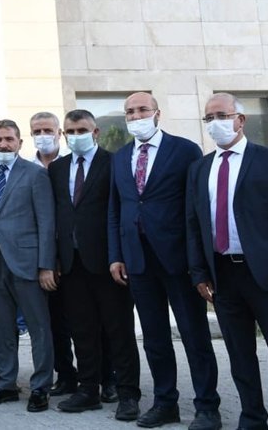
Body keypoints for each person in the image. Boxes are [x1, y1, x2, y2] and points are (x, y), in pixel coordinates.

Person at [187, 93, 268, 430]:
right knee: (240, 356)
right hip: (223, 276)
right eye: (209, 118)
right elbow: (194, 224)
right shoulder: (200, 169)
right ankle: (253, 419)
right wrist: (199, 272)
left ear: (240, 120)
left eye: (222, 115)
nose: (215, 123)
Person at [110, 92, 220, 430]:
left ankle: (207, 407)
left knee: (194, 336)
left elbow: (197, 207)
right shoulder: (121, 156)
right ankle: (165, 403)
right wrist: (116, 255)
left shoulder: (184, 150)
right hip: (138, 260)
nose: (136, 116)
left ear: (157, 113)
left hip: (178, 259)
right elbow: (116, 208)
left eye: (142, 109)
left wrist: (198, 261)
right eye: (130, 111)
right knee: (155, 338)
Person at [50, 110, 141, 421]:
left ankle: (127, 394)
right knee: (82, 330)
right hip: (72, 264)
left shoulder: (114, 163)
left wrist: (120, 255)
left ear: (96, 132)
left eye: (82, 130)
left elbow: (121, 210)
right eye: (70, 131)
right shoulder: (57, 168)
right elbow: (58, 215)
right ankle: (88, 389)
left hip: (108, 263)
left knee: (119, 331)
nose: (76, 136)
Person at [0, 119, 56, 413]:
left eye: (9, 139)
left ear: (20, 142)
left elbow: (46, 222)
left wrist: (46, 266)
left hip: (27, 264)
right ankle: (6, 384)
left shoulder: (35, 174)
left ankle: (41, 387)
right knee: (3, 329)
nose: (3, 144)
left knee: (38, 328)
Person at [28, 111, 77, 398]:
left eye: (48, 130)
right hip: (42, 259)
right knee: (54, 322)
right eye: (37, 131)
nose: (43, 136)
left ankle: (100, 376)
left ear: (59, 133)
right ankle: (65, 375)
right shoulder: (27, 167)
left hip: (74, 255)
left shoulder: (72, 164)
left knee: (84, 320)